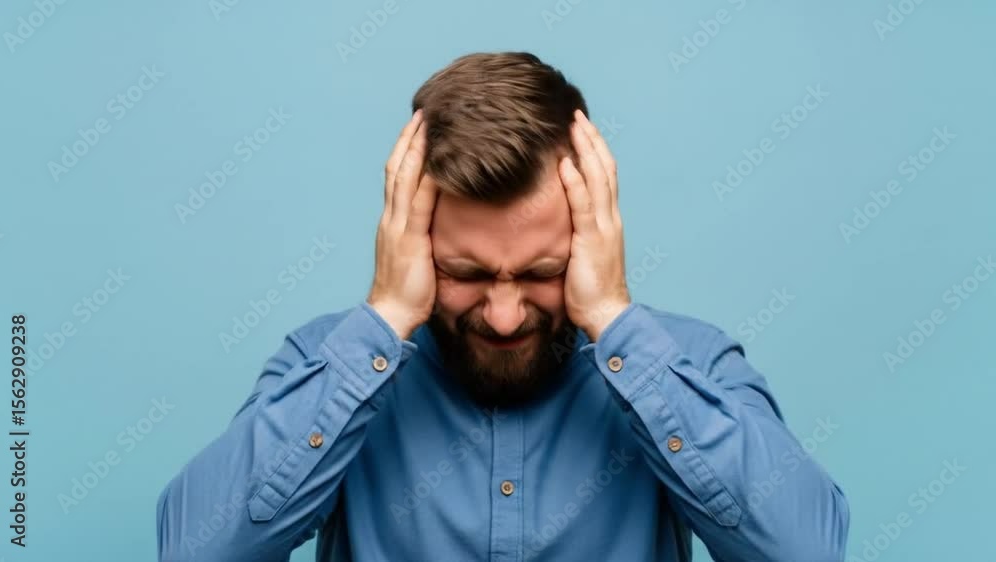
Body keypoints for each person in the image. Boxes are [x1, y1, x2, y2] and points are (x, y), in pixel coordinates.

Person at [156, 52, 849, 562]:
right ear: (412, 240)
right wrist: (385, 316)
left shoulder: (686, 366)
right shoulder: (329, 366)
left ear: (592, 238)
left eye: (542, 272)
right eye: (466, 273)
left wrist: (613, 317)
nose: (505, 316)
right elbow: (194, 551)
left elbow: (806, 551)